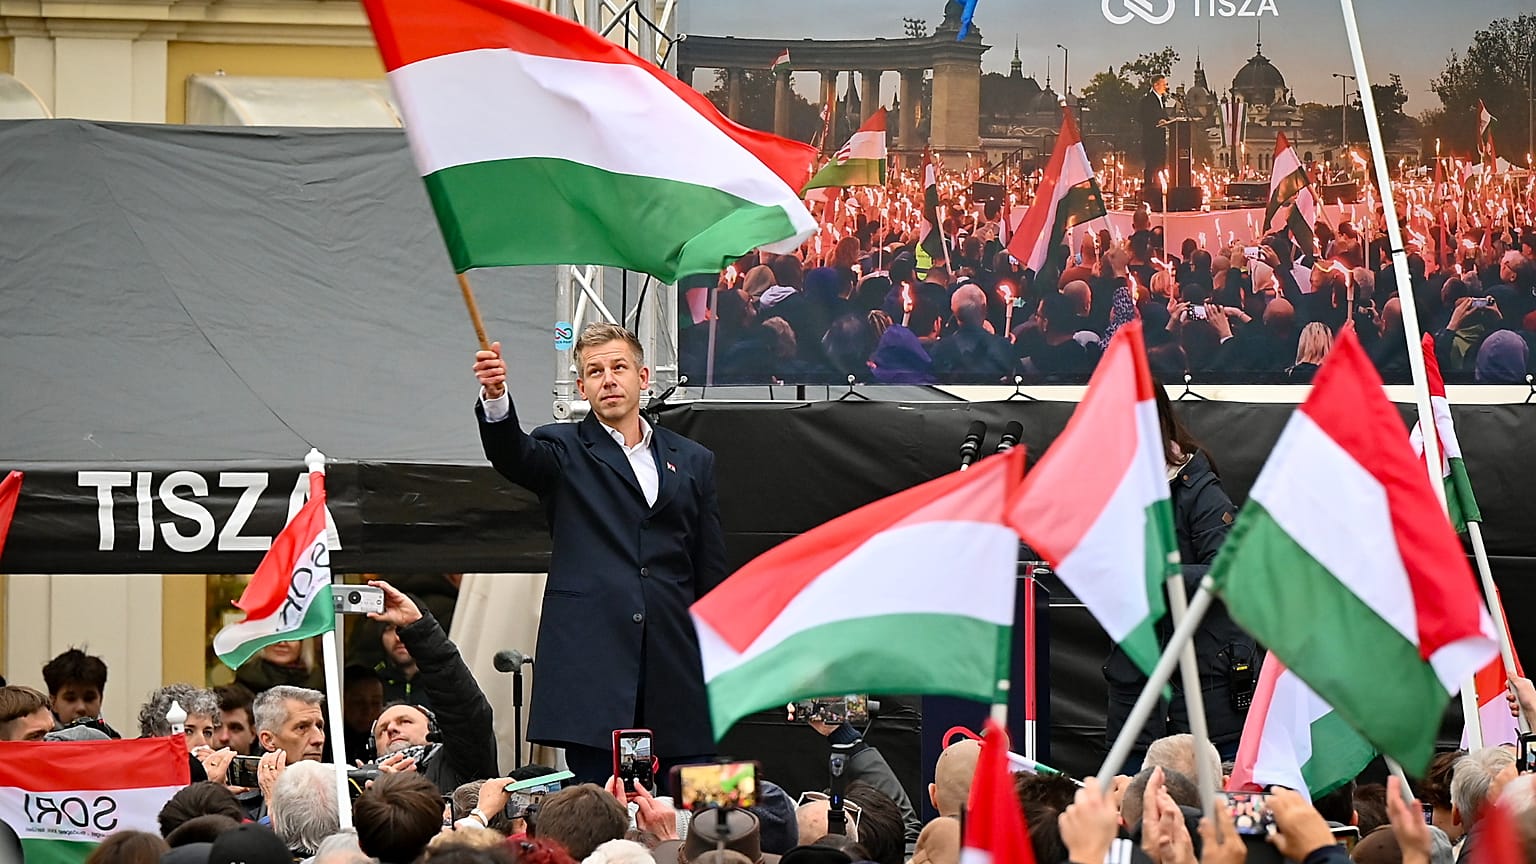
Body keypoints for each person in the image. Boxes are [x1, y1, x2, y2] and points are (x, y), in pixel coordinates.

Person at [474, 322, 727, 784]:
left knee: (692, 800)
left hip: (675, 662)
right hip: (597, 666)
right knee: (600, 804)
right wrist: (496, 398)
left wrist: (723, 650)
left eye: (618, 367)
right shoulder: (562, 447)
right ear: (581, 387)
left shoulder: (693, 459)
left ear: (643, 377)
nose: (608, 379)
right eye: (594, 371)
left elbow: (709, 564)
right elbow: (515, 455)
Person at [1103, 385, 1256, 767]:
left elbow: (1228, 573)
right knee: (1130, 795)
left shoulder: (1196, 485)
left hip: (1204, 683)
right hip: (1135, 680)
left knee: (1210, 802)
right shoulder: (1110, 486)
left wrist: (1159, 574)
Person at [364, 580, 498, 794]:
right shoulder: (363, 790)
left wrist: (418, 627)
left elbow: (462, 707)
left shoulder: (458, 766)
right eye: (382, 730)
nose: (391, 729)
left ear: (435, 732)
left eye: (405, 721)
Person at [41, 648, 108, 725]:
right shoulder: (38, 737)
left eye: (89, 698)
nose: (81, 708)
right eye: (70, 699)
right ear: (53, 703)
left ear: (100, 699)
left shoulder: (112, 736)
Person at [1139, 75, 1171, 210]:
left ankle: (1158, 195)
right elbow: (1143, 117)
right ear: (1156, 85)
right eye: (1164, 84)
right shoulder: (1147, 100)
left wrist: (1169, 121)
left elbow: (1164, 116)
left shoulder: (1161, 100)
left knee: (1159, 168)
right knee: (1151, 168)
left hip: (1160, 142)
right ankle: (1148, 197)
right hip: (1152, 141)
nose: (1166, 86)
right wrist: (1157, 122)